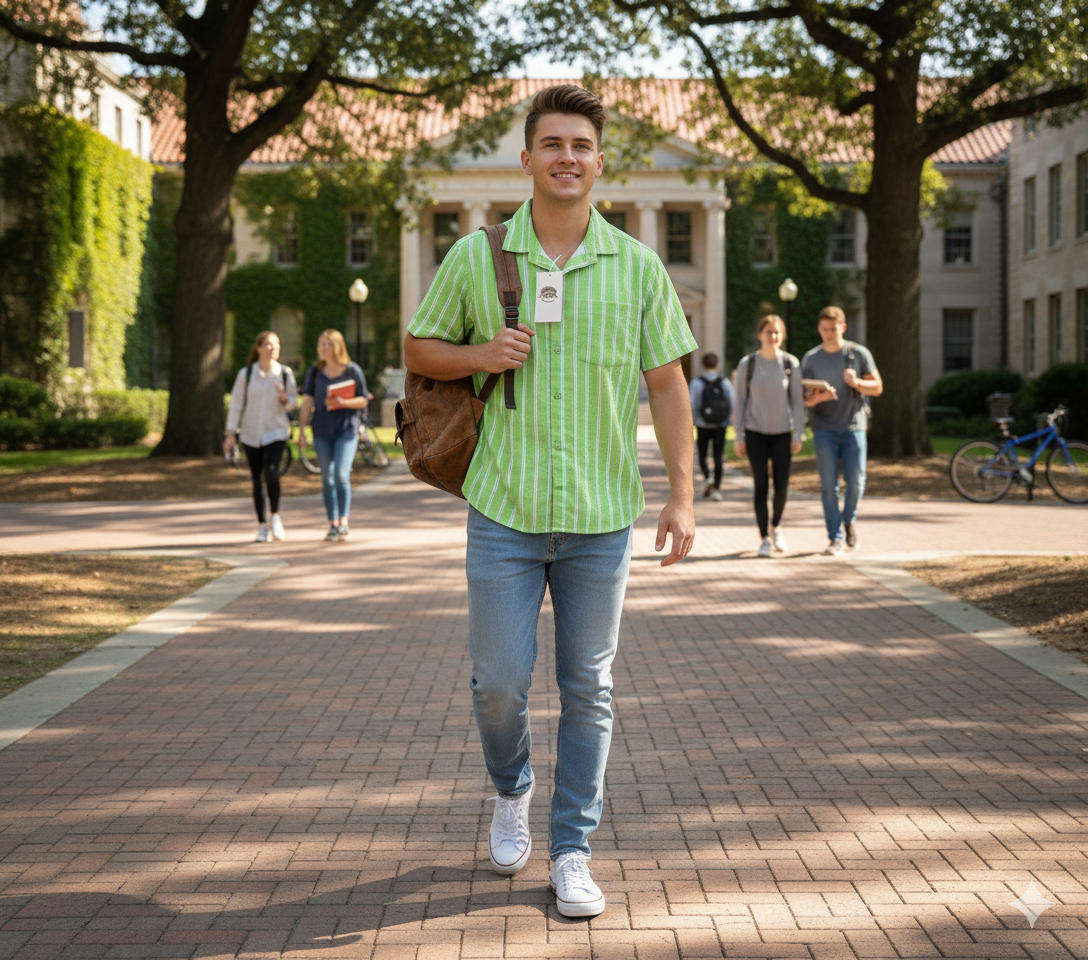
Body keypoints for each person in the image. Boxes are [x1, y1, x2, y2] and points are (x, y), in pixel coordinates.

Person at [403, 85, 697, 919]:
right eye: (553, 143)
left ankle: (572, 849)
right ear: (526, 159)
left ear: (601, 162)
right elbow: (418, 345)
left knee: (589, 687)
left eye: (583, 144)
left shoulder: (636, 266)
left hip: (602, 517)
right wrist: (480, 353)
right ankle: (510, 789)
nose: (569, 156)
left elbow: (668, 384)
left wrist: (679, 496)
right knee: (498, 682)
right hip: (503, 509)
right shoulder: (479, 256)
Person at [801, 306, 883, 556]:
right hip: (824, 429)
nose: (828, 334)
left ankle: (849, 520)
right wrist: (819, 398)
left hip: (854, 427)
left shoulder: (858, 353)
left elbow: (877, 387)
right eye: (824, 329)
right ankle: (835, 537)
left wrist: (857, 382)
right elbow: (804, 398)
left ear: (843, 328)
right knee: (829, 487)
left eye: (833, 329)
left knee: (857, 481)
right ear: (819, 329)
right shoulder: (811, 358)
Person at [732, 315, 804, 557]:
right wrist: (738, 436)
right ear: (759, 334)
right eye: (768, 332)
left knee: (782, 487)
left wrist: (799, 433)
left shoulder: (790, 363)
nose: (772, 336)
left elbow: (797, 402)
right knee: (761, 485)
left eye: (776, 332)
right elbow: (740, 401)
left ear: (781, 336)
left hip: (783, 433)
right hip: (755, 433)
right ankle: (764, 537)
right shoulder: (748, 364)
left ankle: (777, 527)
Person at [224, 331, 298, 542]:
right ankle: (261, 524)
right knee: (257, 478)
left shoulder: (284, 373)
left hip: (276, 432)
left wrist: (286, 399)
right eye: (268, 344)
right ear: (258, 348)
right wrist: (230, 433)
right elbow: (236, 405)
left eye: (276, 344)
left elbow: (293, 402)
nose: (273, 348)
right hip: (250, 434)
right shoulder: (246, 374)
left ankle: (275, 516)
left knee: (272, 472)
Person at [297, 329, 369, 542]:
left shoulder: (352, 370)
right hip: (321, 431)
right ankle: (332, 523)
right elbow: (308, 402)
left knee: (340, 474)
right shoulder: (315, 372)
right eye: (321, 344)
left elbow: (364, 400)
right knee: (326, 478)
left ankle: (344, 521)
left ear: (338, 346)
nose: (324, 348)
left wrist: (344, 402)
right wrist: (301, 431)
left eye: (328, 344)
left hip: (346, 429)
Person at [689, 352, 733, 501]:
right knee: (718, 456)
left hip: (703, 425)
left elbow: (692, 404)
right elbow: (732, 402)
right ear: (717, 365)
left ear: (703, 365)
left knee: (702, 455)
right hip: (720, 425)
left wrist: (693, 421)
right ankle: (717, 489)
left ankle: (708, 477)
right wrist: (729, 420)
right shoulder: (724, 382)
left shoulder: (697, 383)